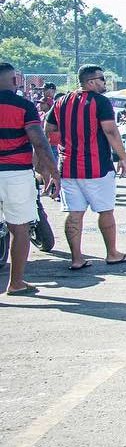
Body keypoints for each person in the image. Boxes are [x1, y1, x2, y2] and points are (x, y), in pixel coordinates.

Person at [47, 64, 126, 270]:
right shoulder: (100, 102)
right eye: (102, 79)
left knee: (74, 213)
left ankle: (76, 259)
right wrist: (123, 157)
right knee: (105, 210)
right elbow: (110, 131)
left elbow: (48, 129)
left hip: (68, 167)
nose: (105, 82)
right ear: (91, 82)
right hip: (97, 166)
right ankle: (112, 253)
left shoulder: (61, 101)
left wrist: (66, 142)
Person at [0, 62, 60, 295]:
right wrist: (53, 171)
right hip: (16, 173)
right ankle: (15, 283)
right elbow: (38, 140)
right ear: (15, 81)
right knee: (19, 229)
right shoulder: (24, 106)